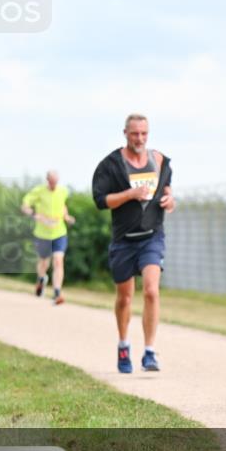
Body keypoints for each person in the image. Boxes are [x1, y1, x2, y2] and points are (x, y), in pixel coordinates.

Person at [92, 113, 175, 373]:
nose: (139, 139)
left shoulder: (159, 160)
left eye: (144, 134)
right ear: (125, 133)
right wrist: (129, 194)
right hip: (123, 239)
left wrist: (170, 200)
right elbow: (100, 200)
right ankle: (124, 344)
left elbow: (167, 188)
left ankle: (149, 352)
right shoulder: (111, 164)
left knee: (151, 290)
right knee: (125, 298)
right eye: (134, 134)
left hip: (151, 235)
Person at [21, 170, 75, 305]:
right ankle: (41, 279)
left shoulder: (62, 191)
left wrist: (67, 217)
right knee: (44, 262)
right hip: (42, 234)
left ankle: (57, 293)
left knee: (58, 260)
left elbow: (62, 205)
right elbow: (25, 206)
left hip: (59, 232)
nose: (54, 185)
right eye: (51, 182)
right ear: (47, 180)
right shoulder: (38, 191)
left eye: (56, 182)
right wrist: (35, 215)